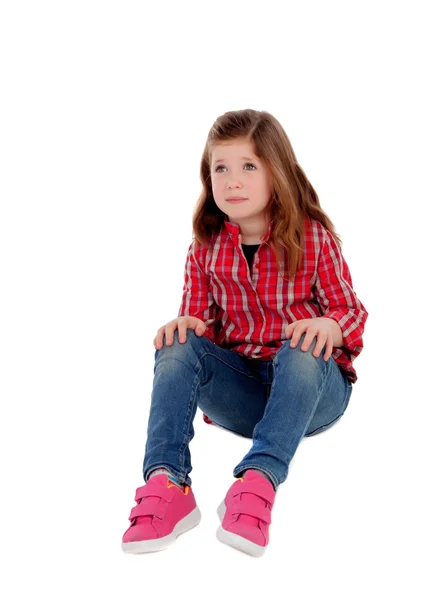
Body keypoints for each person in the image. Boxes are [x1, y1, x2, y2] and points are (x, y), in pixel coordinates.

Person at [121, 108, 368, 558]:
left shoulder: (313, 238)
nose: (232, 181)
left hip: (312, 393)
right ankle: (167, 481)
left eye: (248, 167)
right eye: (221, 169)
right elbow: (199, 326)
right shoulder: (204, 248)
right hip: (245, 399)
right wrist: (186, 328)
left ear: (277, 171)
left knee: (302, 345)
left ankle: (258, 482)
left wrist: (328, 325)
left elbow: (350, 313)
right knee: (177, 343)